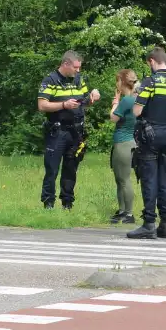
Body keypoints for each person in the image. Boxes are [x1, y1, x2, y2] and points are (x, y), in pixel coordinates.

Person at [126, 47, 166, 240]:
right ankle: (165, 224)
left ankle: (149, 224)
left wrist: (137, 97)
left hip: (150, 133)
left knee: (149, 178)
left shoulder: (149, 82)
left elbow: (136, 111)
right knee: (165, 179)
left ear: (151, 61)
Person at [37, 50, 100, 210]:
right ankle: (48, 203)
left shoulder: (79, 80)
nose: (78, 71)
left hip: (76, 131)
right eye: (76, 67)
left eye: (79, 68)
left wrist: (93, 96)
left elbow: (86, 101)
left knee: (71, 168)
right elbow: (42, 105)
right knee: (52, 168)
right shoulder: (50, 80)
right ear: (66, 64)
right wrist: (63, 105)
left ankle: (67, 203)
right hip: (57, 131)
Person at [108, 69, 140, 224]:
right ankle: (121, 211)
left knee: (124, 179)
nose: (116, 84)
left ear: (122, 82)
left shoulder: (127, 100)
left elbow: (113, 118)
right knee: (120, 179)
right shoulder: (136, 98)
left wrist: (115, 104)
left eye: (117, 81)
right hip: (129, 142)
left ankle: (128, 213)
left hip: (123, 143)